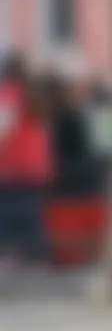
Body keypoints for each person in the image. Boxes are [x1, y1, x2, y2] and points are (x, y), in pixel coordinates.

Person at [0, 51, 55, 266]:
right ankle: (39, 265)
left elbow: (4, 129)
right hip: (36, 170)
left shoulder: (9, 93)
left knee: (7, 222)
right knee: (32, 222)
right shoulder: (35, 94)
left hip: (12, 171)